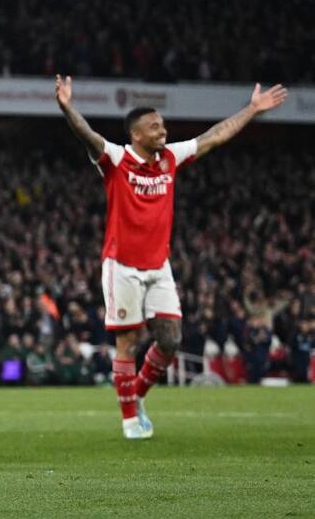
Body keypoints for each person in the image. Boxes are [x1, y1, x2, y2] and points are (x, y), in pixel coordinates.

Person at [55, 74, 288, 439]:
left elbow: (216, 136)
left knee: (171, 339)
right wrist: (68, 108)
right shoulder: (117, 159)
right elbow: (88, 135)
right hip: (122, 266)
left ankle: (138, 396)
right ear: (136, 135)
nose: (161, 130)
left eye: (162, 124)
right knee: (127, 342)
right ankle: (130, 422)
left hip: (158, 265)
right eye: (153, 126)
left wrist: (252, 110)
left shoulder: (170, 157)